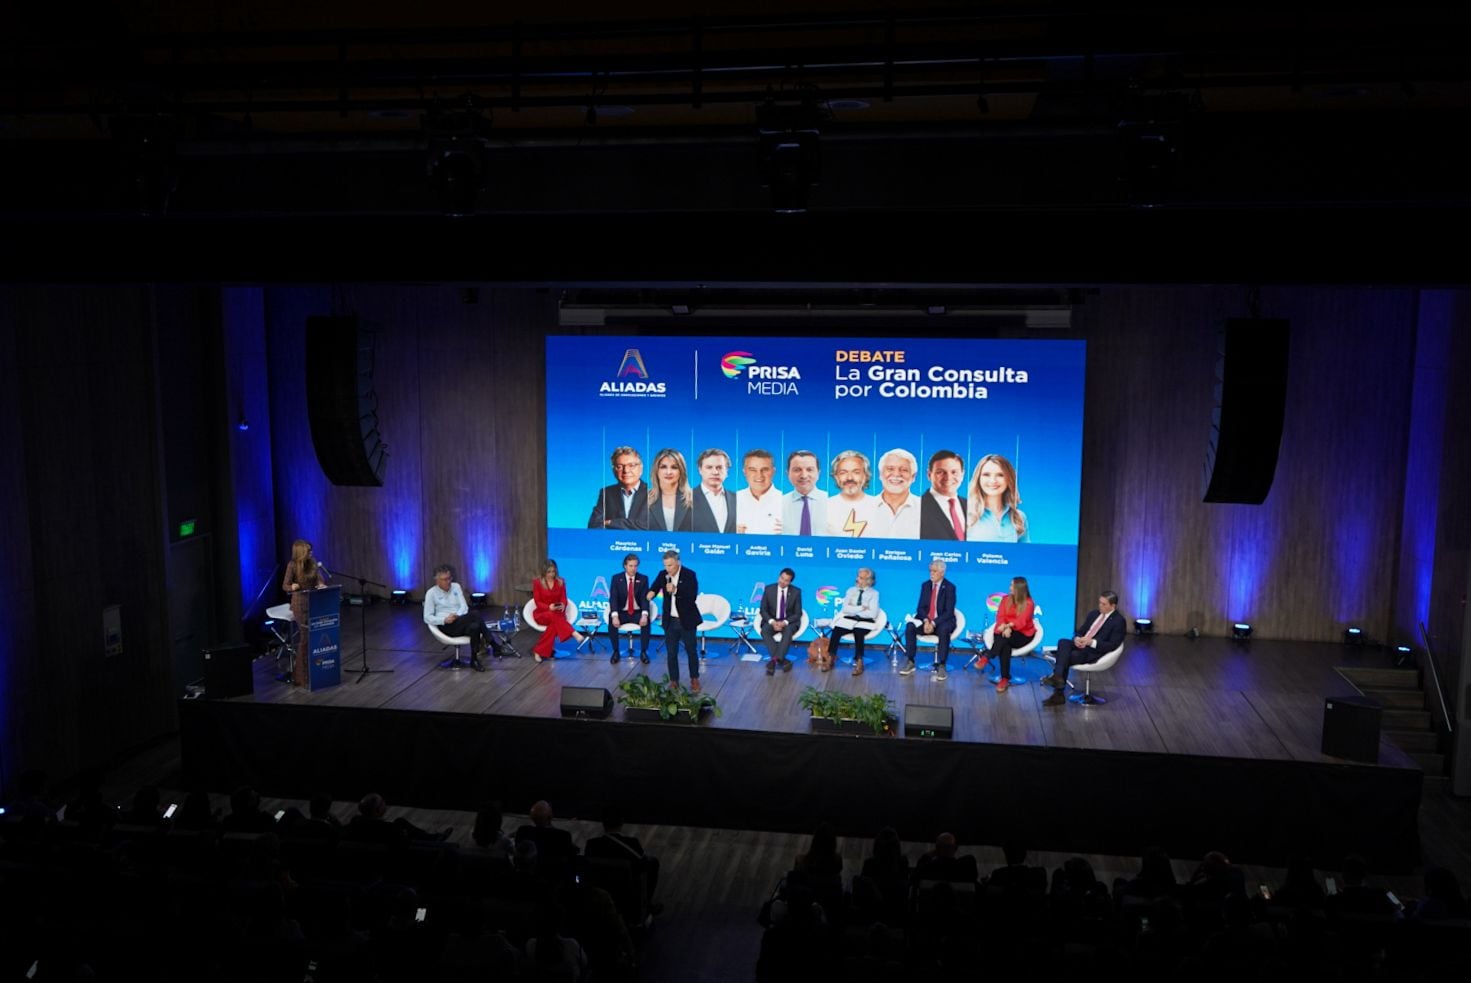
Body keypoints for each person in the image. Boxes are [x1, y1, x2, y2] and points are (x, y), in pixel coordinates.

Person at [1038, 590, 1125, 705]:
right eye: (1099, 603)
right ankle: (1058, 676)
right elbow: (1080, 631)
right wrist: (1077, 639)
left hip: (1095, 651)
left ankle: (1058, 691)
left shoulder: (1119, 621)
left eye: (1104, 604)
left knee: (1066, 656)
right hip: (1081, 645)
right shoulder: (1094, 614)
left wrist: (1091, 642)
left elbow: (1113, 645)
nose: (1100, 606)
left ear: (1113, 606)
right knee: (1063, 642)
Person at [647, 549, 702, 690]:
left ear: (678, 562)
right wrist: (650, 593)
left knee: (691, 651)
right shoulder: (662, 575)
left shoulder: (689, 575)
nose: (667, 569)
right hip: (670, 621)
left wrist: (676, 590)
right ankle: (674, 681)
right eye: (665, 565)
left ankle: (694, 679)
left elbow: (692, 596)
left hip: (686, 620)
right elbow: (654, 587)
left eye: (670, 565)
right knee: (671, 653)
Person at [423, 563, 491, 671]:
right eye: (444, 579)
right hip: (446, 625)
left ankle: (474, 660)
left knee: (475, 626)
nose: (448, 581)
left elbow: (464, 606)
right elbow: (427, 617)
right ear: (437, 581)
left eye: (449, 578)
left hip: (460, 621)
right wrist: (444, 619)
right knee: (475, 614)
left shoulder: (456, 586)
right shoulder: (431, 593)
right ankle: (491, 641)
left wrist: (457, 616)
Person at [281, 538, 330, 686]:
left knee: (314, 637)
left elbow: (320, 580)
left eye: (311, 550)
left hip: (314, 603)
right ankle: (301, 676)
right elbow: (285, 585)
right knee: (305, 639)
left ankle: (315, 670)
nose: (311, 552)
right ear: (301, 552)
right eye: (308, 550)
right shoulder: (292, 565)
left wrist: (321, 584)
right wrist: (293, 587)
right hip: (300, 604)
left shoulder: (313, 563)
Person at [976, 575, 1036, 693]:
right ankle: (1004, 678)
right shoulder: (1005, 600)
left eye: (1012, 585)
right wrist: (1003, 626)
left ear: (1019, 588)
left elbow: (1022, 621)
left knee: (1005, 639)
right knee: (1005, 645)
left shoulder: (1029, 603)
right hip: (1004, 632)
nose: (1009, 587)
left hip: (1022, 634)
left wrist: (1009, 627)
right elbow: (1000, 616)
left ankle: (988, 656)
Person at [900, 559, 957, 678]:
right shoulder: (925, 585)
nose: (931, 573)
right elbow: (920, 608)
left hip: (942, 621)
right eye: (930, 571)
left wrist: (934, 623)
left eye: (934, 571)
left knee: (944, 630)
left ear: (942, 572)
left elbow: (949, 612)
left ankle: (942, 665)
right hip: (926, 620)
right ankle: (910, 661)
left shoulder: (950, 587)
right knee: (910, 627)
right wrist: (926, 621)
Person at [966, 453, 1030, 542]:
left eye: (1000, 475)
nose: (993, 480)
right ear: (978, 479)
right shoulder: (963, 515)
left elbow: (1024, 554)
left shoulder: (1020, 518)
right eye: (986, 474)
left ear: (1009, 479)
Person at [530, 559, 584, 663]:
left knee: (553, 627)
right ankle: (573, 633)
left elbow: (564, 598)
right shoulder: (537, 583)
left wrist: (563, 604)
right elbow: (537, 601)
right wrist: (548, 607)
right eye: (549, 572)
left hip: (557, 614)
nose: (551, 574)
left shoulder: (560, 582)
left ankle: (538, 651)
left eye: (553, 571)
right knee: (552, 616)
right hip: (542, 614)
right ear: (544, 572)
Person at [829, 567, 880, 675]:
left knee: (858, 631)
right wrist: (862, 608)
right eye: (858, 577)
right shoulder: (850, 591)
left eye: (861, 578)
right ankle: (831, 657)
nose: (858, 580)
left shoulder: (874, 594)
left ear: (869, 581)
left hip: (866, 621)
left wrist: (854, 609)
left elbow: (873, 613)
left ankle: (859, 661)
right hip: (849, 619)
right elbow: (845, 609)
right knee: (837, 630)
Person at [587, 445, 649, 529]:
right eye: (619, 466)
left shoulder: (654, 493)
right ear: (613, 470)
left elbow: (651, 526)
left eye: (631, 465)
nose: (626, 470)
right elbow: (593, 525)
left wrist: (611, 522)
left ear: (641, 469)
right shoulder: (607, 493)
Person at [607, 553, 651, 664]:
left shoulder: (643, 579)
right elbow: (613, 598)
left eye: (635, 566)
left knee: (646, 621)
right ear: (625, 566)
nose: (633, 568)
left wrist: (644, 615)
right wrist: (615, 616)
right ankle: (616, 651)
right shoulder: (616, 578)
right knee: (611, 620)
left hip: (636, 612)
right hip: (622, 612)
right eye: (631, 566)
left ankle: (644, 652)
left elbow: (644, 599)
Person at [759, 567, 803, 675]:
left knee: (787, 632)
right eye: (782, 578)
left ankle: (774, 661)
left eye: (786, 580)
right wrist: (772, 622)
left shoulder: (796, 592)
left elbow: (798, 613)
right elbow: (763, 610)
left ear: (790, 582)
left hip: (788, 622)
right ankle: (782, 660)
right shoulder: (769, 589)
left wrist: (784, 622)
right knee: (764, 631)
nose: (783, 582)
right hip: (772, 621)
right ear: (779, 577)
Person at [869, 448, 922, 538]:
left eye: (904, 470)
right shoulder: (863, 508)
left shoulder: (927, 510)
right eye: (890, 469)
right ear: (880, 474)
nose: (897, 474)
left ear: (913, 477)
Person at [825, 450, 879, 537]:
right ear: (836, 477)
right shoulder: (824, 507)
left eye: (856, 472)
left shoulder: (879, 506)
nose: (849, 477)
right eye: (843, 473)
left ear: (865, 476)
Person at [918, 450, 968, 540]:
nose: (948, 477)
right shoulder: (917, 508)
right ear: (929, 475)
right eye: (940, 472)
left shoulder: (971, 507)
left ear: (962, 474)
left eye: (954, 472)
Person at [645, 447, 694, 532]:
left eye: (674, 467)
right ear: (656, 470)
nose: (668, 472)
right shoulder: (643, 499)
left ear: (681, 471)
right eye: (663, 467)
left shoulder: (695, 498)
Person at [735, 448, 784, 534]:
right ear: (744, 472)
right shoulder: (732, 500)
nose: (759, 475)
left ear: (773, 471)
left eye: (765, 469)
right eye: (752, 470)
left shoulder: (786, 501)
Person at [781, 450, 828, 536]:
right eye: (797, 470)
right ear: (788, 474)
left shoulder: (831, 502)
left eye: (809, 469)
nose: (804, 475)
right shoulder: (779, 504)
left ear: (818, 473)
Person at [692, 447, 737, 533]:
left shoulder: (738, 499)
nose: (715, 472)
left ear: (727, 471)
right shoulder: (686, 498)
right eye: (709, 467)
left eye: (719, 467)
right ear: (700, 470)